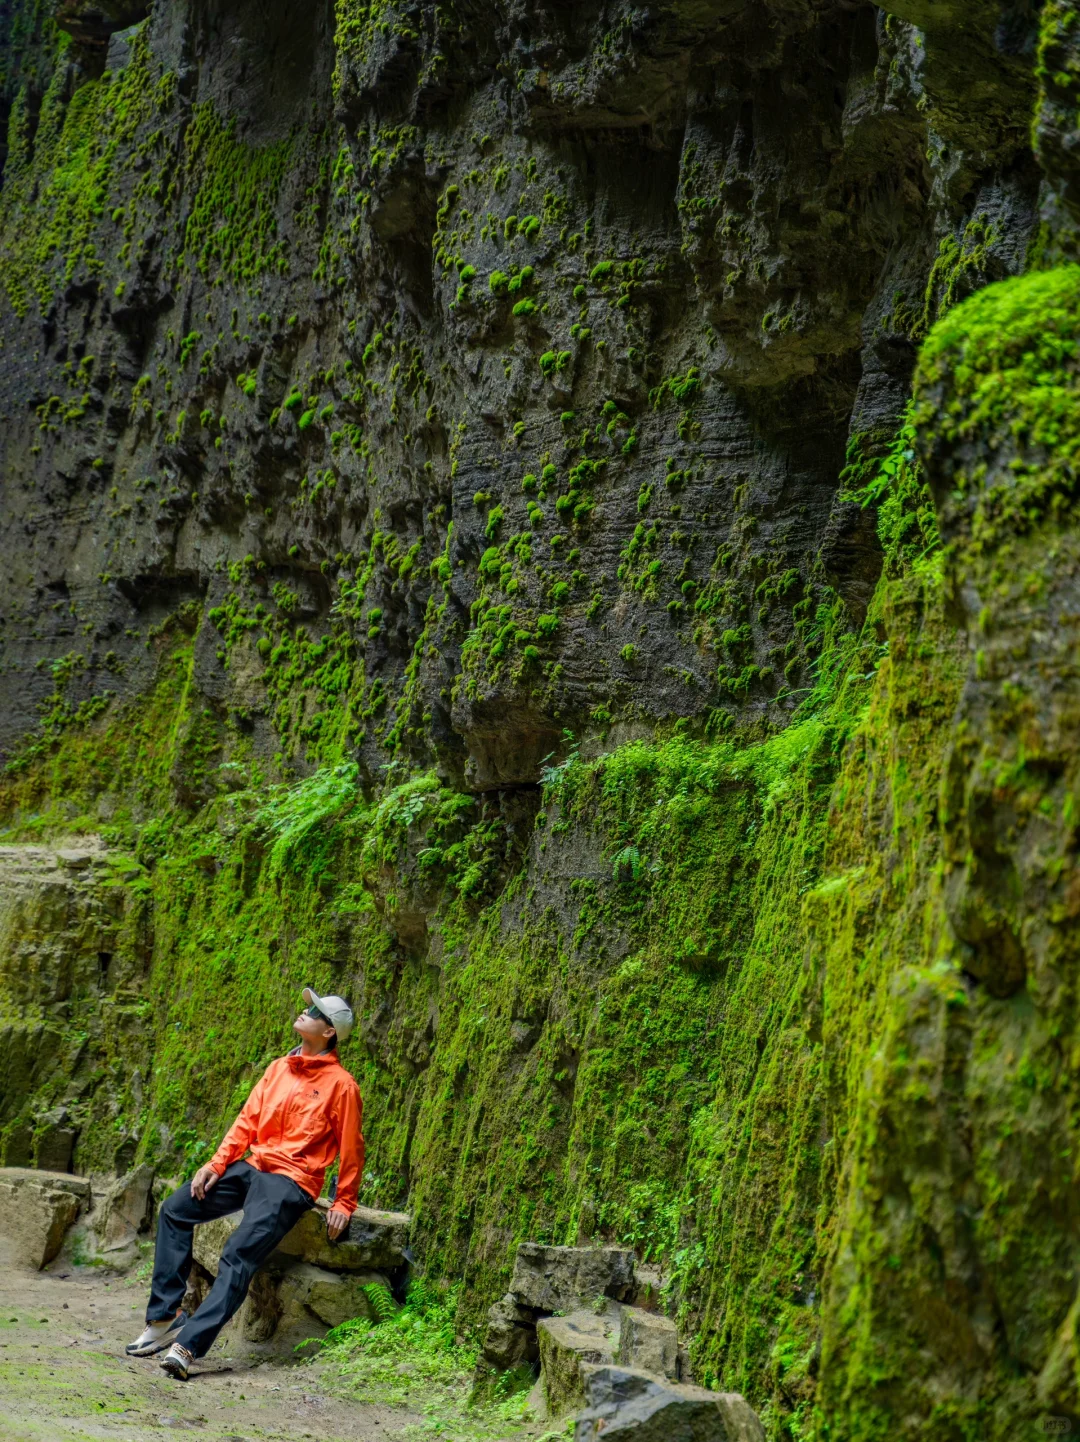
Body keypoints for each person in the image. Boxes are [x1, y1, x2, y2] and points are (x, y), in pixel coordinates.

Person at [126, 988, 363, 1380]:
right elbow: (248, 1120)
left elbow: (352, 1147)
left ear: (330, 1032)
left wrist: (344, 1202)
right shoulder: (278, 1068)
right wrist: (217, 1164)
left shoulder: (342, 1085)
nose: (305, 1012)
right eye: (307, 1006)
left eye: (315, 1011)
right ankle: (165, 1317)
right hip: (253, 1166)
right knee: (176, 1209)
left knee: (238, 1253)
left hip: (292, 1181)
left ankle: (188, 1347)